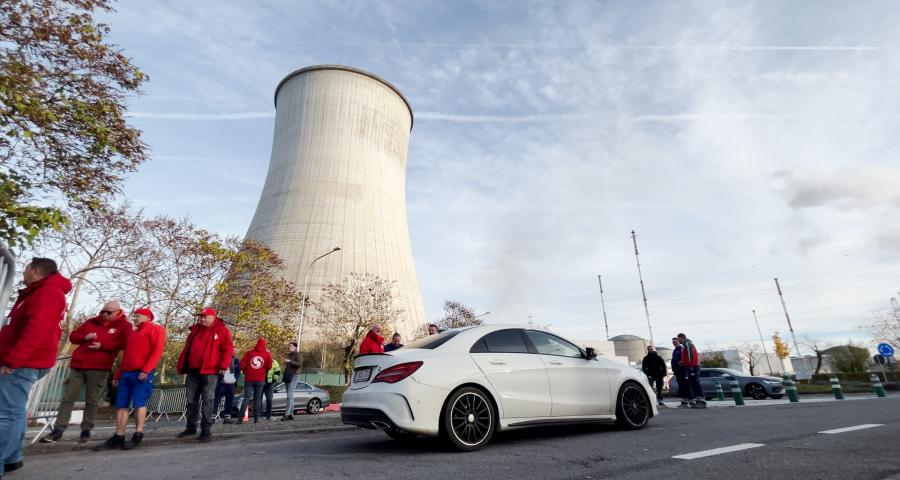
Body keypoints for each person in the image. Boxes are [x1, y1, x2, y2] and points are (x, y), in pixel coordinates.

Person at [0, 258, 70, 476]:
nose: (24, 271)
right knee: (14, 411)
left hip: (24, 362)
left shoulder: (47, 293)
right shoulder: (42, 291)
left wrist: (14, 359)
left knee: (7, 413)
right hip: (28, 361)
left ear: (37, 271)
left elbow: (38, 330)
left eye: (27, 268)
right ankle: (12, 458)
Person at [41, 301, 132, 444]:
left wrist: (103, 346)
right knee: (67, 398)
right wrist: (84, 337)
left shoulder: (124, 326)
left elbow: (125, 344)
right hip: (78, 365)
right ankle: (58, 429)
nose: (104, 314)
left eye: (108, 312)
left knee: (92, 400)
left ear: (117, 312)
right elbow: (73, 337)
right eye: (103, 311)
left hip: (99, 367)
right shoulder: (91, 322)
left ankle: (86, 429)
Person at [94, 308, 165, 451]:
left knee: (139, 403)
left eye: (138, 316)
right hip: (127, 372)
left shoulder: (155, 329)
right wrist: (118, 374)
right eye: (134, 316)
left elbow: (157, 350)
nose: (135, 318)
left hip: (142, 373)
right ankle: (119, 435)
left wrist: (146, 369)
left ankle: (138, 433)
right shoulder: (133, 333)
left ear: (147, 317)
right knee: (121, 404)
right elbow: (127, 355)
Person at [175, 307, 233, 442]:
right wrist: (182, 365)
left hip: (210, 370)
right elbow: (187, 349)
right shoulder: (195, 330)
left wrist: (223, 366)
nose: (201, 319)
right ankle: (191, 427)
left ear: (212, 317)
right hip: (193, 370)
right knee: (191, 400)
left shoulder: (222, 330)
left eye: (204, 316)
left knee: (208, 399)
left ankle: (206, 430)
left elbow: (227, 349)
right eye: (200, 316)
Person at [239, 338, 272, 424]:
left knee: (246, 398)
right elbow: (269, 366)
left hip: (249, 379)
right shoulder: (267, 354)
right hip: (260, 379)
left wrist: (246, 371)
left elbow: (242, 365)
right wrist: (263, 371)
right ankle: (257, 418)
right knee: (257, 399)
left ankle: (241, 418)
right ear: (264, 345)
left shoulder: (249, 353)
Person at [678, 333, 706, 409]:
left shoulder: (687, 343)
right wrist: (683, 362)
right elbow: (687, 356)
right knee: (692, 383)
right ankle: (697, 401)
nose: (678, 340)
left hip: (692, 366)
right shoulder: (685, 345)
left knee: (695, 383)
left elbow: (690, 355)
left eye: (678, 339)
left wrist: (690, 365)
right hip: (689, 366)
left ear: (681, 337)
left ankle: (701, 401)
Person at [215, 348, 241, 424]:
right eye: (234, 351)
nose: (236, 353)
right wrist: (221, 377)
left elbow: (238, 371)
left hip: (231, 383)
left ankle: (227, 416)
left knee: (229, 400)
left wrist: (234, 379)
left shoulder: (236, 360)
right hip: (221, 383)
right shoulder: (222, 358)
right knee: (217, 399)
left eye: (236, 352)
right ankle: (212, 415)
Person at [280, 342, 302, 421]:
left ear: (295, 347)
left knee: (289, 396)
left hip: (295, 376)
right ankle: (291, 414)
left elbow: (299, 364)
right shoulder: (289, 355)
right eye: (289, 346)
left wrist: (290, 362)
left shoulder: (298, 355)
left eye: (291, 346)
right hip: (287, 375)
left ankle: (286, 414)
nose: (289, 347)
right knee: (290, 396)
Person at [671, 337, 688, 407]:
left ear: (678, 342)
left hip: (682, 371)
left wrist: (681, 363)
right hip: (677, 372)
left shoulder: (682, 349)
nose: (674, 343)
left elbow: (684, 359)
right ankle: (684, 400)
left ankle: (686, 400)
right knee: (681, 386)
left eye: (675, 342)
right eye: (673, 342)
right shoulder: (675, 350)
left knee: (684, 386)